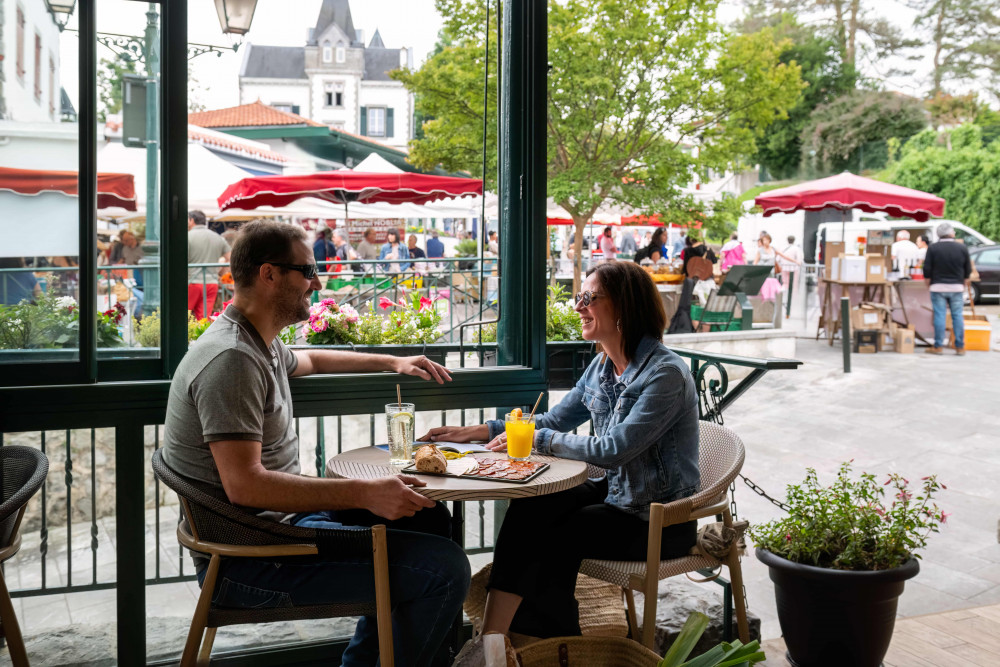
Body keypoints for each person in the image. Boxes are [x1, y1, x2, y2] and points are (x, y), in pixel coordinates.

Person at [161, 220, 469, 666]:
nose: (318, 281)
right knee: (443, 570)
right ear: (269, 275)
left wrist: (393, 362)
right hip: (251, 560)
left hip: (279, 528)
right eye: (308, 270)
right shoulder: (232, 360)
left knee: (429, 521)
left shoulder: (257, 342)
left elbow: (310, 358)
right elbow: (245, 487)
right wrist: (364, 492)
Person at [420, 261, 699, 640]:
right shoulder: (603, 366)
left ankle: (551, 646)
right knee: (532, 504)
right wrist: (482, 430)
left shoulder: (664, 374)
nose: (577, 306)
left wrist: (537, 440)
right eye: (577, 297)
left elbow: (613, 450)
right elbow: (554, 420)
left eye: (588, 297)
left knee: (557, 535)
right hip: (618, 495)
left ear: (624, 306)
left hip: (659, 519)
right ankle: (492, 641)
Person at [924, 222, 972, 355]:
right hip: (957, 287)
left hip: (937, 286)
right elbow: (967, 269)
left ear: (939, 234)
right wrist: (964, 282)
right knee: (957, 316)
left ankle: (938, 346)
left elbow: (927, 268)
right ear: (951, 233)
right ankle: (960, 347)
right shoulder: (962, 248)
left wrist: (928, 282)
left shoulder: (933, 248)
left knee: (939, 315)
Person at [188, 210, 231, 320]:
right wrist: (221, 272)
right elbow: (230, 258)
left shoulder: (187, 237)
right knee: (203, 320)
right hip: (211, 283)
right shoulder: (218, 237)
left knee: (182, 317)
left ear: (191, 220)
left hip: (191, 282)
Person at [777, 235, 804, 318]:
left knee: (785, 283)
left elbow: (778, 258)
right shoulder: (796, 249)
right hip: (794, 268)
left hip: (784, 267)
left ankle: (783, 295)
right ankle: (792, 299)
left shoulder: (783, 248)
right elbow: (800, 259)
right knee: (793, 284)